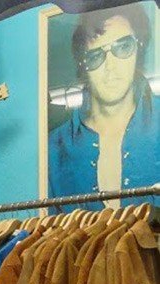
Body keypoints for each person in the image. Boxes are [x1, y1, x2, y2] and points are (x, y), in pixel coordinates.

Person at [48, 3, 157, 205]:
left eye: (123, 47)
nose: (110, 67)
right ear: (83, 65)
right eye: (95, 56)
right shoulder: (54, 150)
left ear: (138, 48)